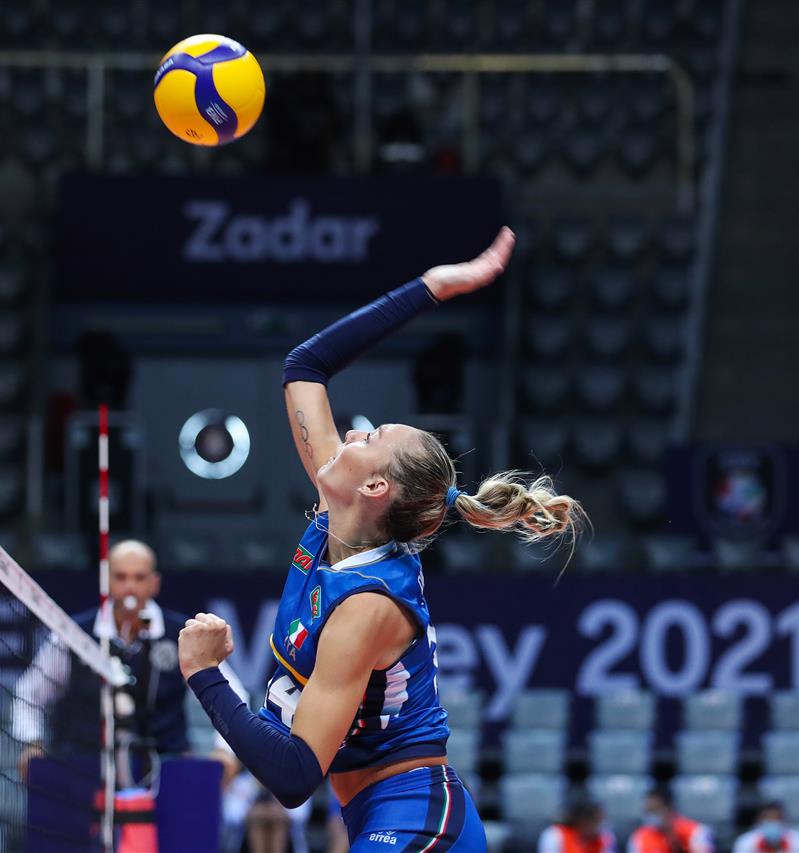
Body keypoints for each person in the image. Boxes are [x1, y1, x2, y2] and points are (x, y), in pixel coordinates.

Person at [178, 226, 584, 850]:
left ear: (374, 488)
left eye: (368, 439)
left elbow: (294, 775)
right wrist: (433, 287)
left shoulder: (367, 606)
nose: (349, 435)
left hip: (420, 819)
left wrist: (206, 674)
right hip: (378, 814)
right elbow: (305, 366)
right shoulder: (331, 520)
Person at [14, 539, 211, 786]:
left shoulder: (183, 634)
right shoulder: (72, 634)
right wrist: (32, 743)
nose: (130, 587)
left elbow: (226, 690)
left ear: (154, 583)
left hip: (166, 770)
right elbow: (29, 692)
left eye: (139, 578)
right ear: (106, 582)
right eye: (121, 577)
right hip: (81, 768)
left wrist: (226, 751)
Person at [628, 789, 714, 853]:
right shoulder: (639, 837)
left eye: (655, 810)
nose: (651, 816)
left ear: (669, 808)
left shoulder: (696, 831)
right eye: (648, 811)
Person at [732, 801, 799, 853]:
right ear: (758, 822)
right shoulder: (745, 843)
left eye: (777, 818)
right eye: (768, 818)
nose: (772, 822)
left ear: (785, 821)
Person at [540, 799, 617, 853]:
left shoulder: (605, 837)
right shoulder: (555, 835)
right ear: (583, 821)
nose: (600, 826)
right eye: (596, 822)